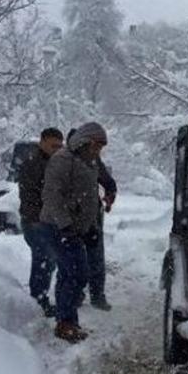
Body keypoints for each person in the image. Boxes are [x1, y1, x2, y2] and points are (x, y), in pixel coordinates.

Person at [41, 122, 108, 343]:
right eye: (96, 146)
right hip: (57, 227)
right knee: (72, 273)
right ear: (85, 141)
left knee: (77, 274)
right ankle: (65, 323)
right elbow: (52, 196)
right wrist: (66, 226)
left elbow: (88, 198)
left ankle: (69, 319)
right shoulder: (62, 160)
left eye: (100, 148)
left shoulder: (88, 161)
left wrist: (91, 229)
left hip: (77, 228)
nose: (98, 152)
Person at [65, 128, 116, 311]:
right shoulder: (63, 162)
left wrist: (110, 194)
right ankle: (76, 294)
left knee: (95, 256)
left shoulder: (93, 160)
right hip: (71, 218)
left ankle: (97, 295)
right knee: (74, 258)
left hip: (93, 215)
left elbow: (107, 181)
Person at [18, 128, 64, 317]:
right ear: (42, 142)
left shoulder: (54, 163)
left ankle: (40, 298)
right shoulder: (33, 164)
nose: (57, 149)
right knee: (44, 260)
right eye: (53, 146)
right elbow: (32, 196)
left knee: (48, 261)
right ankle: (38, 300)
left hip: (49, 221)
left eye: (59, 146)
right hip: (36, 221)